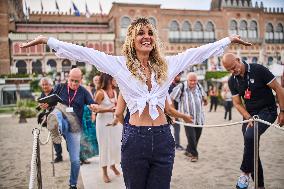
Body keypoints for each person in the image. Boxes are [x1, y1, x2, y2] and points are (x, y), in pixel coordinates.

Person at [20, 17, 251, 189]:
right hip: (135, 140)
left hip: (163, 139)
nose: (146, 36)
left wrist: (227, 40)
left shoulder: (168, 65)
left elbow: (197, 53)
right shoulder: (119, 65)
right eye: (140, 33)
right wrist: (47, 40)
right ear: (132, 39)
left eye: (150, 32)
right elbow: (85, 53)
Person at [222, 53, 284, 189]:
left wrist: (282, 112)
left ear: (238, 60)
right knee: (252, 147)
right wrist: (247, 116)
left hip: (267, 111)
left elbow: (279, 88)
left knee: (250, 136)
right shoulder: (233, 80)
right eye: (229, 70)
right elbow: (237, 103)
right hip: (250, 114)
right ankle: (260, 185)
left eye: (234, 67)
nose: (233, 71)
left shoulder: (258, 69)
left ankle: (244, 173)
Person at [42, 68, 96, 189]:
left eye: (77, 81)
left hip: (74, 129)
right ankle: (57, 130)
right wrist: (45, 105)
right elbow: (49, 102)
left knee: (76, 160)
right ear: (68, 78)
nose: (74, 84)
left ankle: (72, 184)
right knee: (58, 112)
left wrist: (94, 106)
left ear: (81, 80)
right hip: (61, 121)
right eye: (72, 80)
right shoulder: (60, 87)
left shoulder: (83, 92)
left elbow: (92, 103)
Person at [170, 72, 208, 162]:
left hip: (200, 118)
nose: (193, 82)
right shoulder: (181, 87)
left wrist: (205, 100)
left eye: (194, 80)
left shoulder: (199, 86)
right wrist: (173, 114)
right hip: (187, 118)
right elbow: (171, 98)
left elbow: (204, 95)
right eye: (191, 80)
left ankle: (188, 150)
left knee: (197, 137)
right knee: (191, 137)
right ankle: (194, 155)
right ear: (187, 80)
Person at [94, 73, 122, 183]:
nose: (115, 80)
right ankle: (104, 172)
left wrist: (116, 114)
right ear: (108, 79)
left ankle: (113, 165)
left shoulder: (115, 92)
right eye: (113, 78)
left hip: (115, 122)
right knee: (104, 146)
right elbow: (94, 109)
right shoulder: (100, 93)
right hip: (103, 123)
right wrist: (110, 110)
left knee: (115, 145)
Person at [38, 77, 63, 163]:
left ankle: (74, 155)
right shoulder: (42, 95)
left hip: (60, 117)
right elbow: (44, 107)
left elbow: (61, 103)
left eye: (46, 84)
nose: (45, 86)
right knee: (54, 136)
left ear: (50, 84)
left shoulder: (56, 92)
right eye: (43, 85)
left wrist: (50, 106)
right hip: (50, 118)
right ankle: (59, 156)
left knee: (67, 136)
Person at [168, 72, 184, 151]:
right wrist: (173, 115)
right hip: (170, 111)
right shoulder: (170, 87)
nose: (179, 77)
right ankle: (176, 145)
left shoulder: (178, 86)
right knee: (174, 128)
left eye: (180, 75)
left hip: (176, 111)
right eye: (178, 75)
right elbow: (170, 101)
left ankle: (176, 145)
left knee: (176, 128)